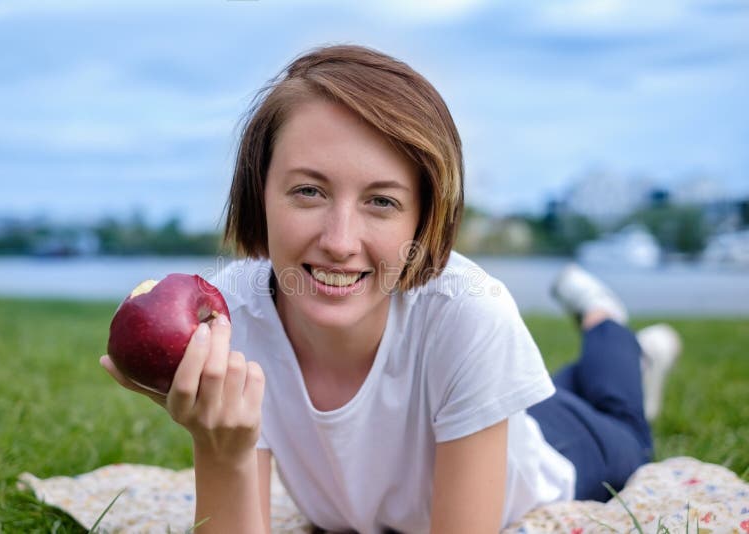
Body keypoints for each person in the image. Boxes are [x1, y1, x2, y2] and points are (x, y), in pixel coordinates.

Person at [100, 44, 681, 533]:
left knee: (621, 418)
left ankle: (607, 320)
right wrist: (218, 449)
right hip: (474, 400)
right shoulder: (230, 315)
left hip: (560, 453)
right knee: (553, 387)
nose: (339, 241)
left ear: (422, 218)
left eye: (381, 201)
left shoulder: (470, 314)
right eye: (309, 191)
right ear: (261, 193)